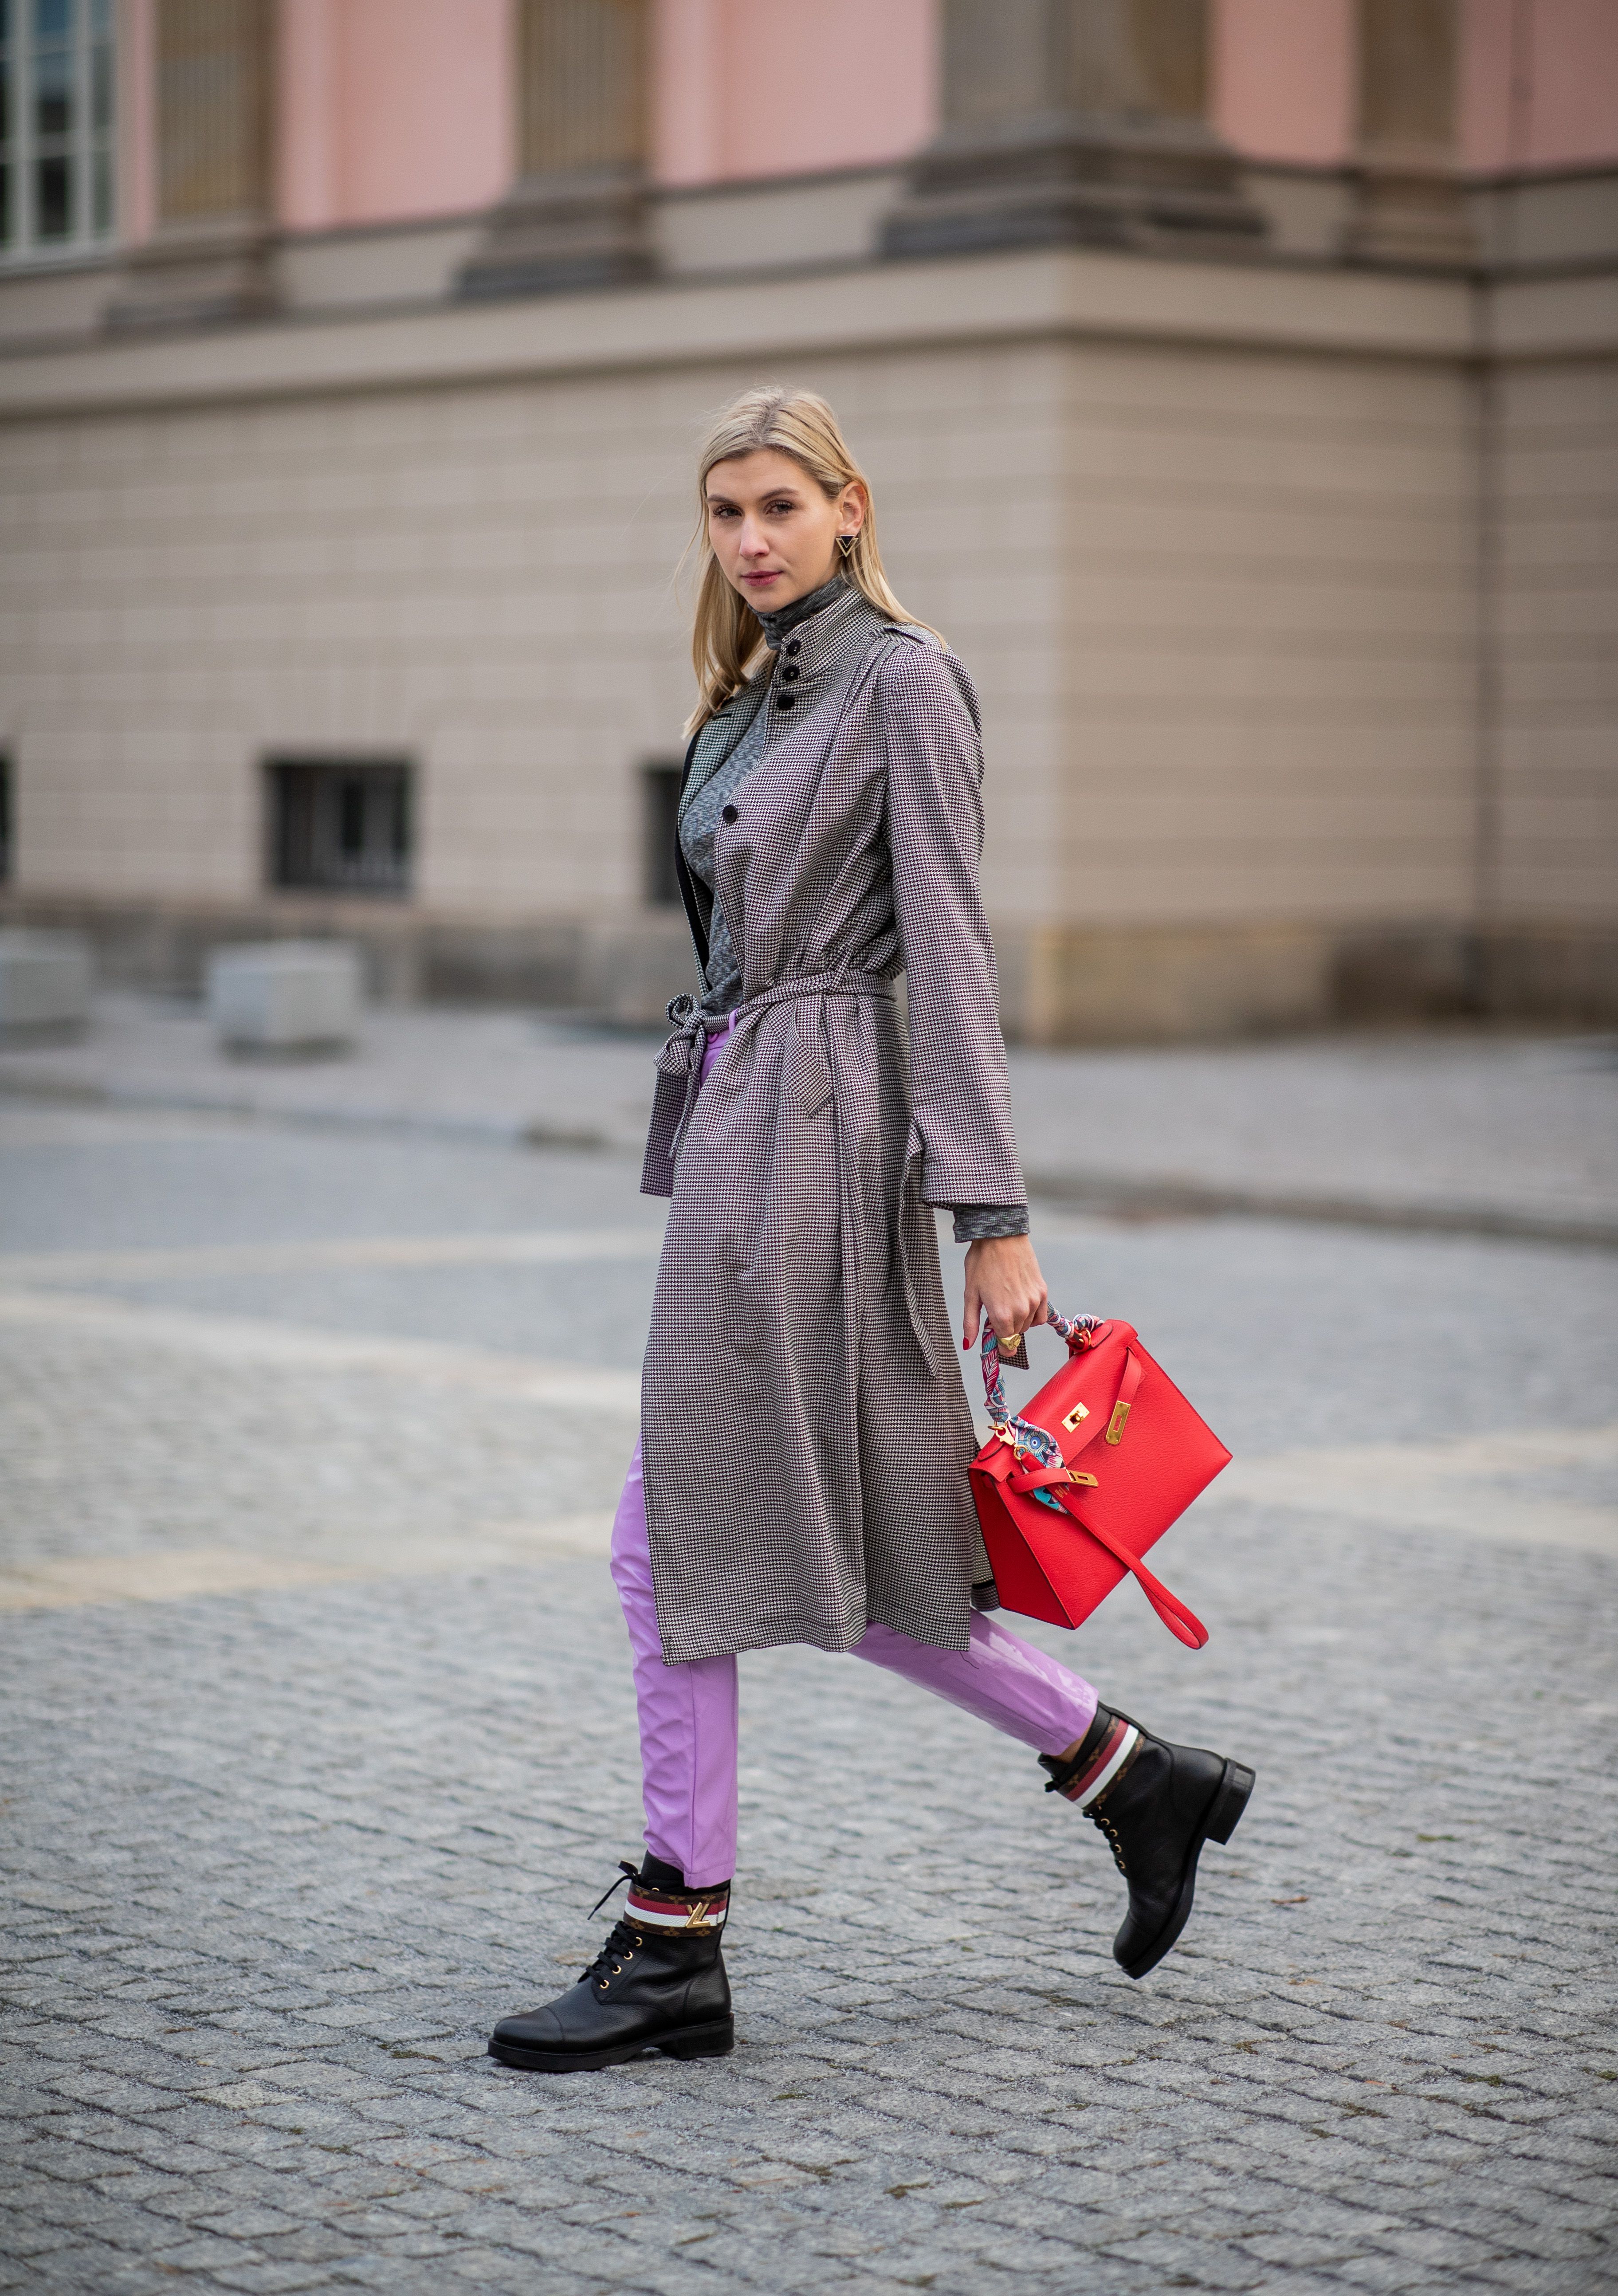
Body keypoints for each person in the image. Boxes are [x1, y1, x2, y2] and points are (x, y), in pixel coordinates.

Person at [490, 387, 1253, 2075]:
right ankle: (1137, 1776)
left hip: (826, 1134)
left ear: (849, 508)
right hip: (749, 1120)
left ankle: (677, 1936)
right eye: (724, 513)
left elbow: (953, 956)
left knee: (667, 1533)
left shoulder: (905, 683)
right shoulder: (754, 693)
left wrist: (991, 1214)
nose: (752, 540)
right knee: (851, 1541)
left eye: (780, 506)